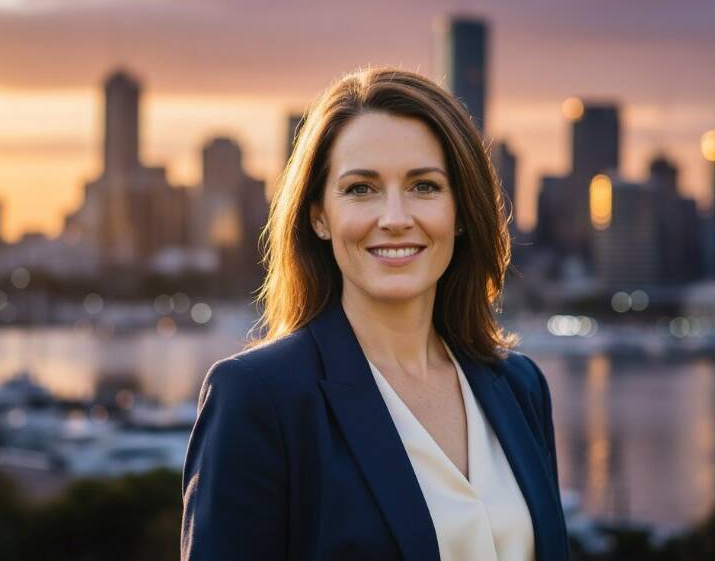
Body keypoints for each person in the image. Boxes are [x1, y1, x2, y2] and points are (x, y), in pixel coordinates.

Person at [181, 65, 570, 560]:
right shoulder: (259, 397)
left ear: (461, 213)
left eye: (424, 186)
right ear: (319, 215)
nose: (394, 219)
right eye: (361, 189)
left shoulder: (520, 386)